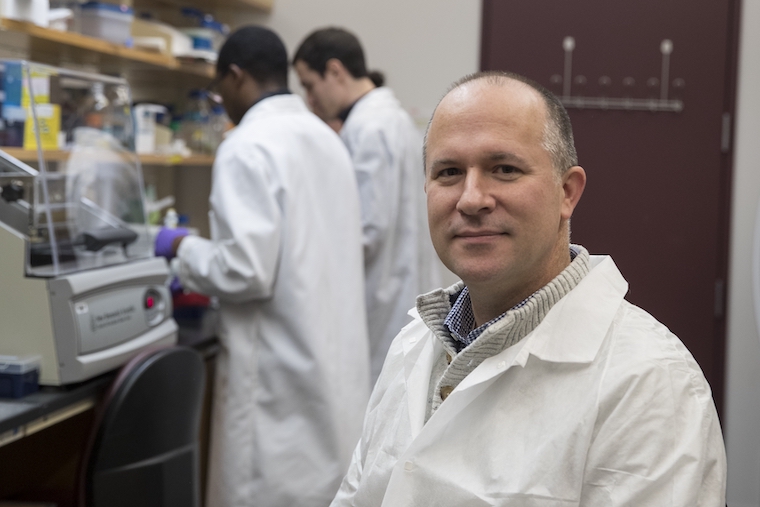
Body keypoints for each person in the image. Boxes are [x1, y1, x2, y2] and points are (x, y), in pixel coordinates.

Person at [330, 71, 727, 506]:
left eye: (504, 169)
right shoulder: (413, 345)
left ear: (567, 193)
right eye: (448, 172)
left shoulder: (651, 382)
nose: (471, 198)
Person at [154, 26, 370, 507]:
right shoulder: (325, 137)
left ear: (235, 77)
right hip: (328, 368)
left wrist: (182, 248)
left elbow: (244, 270)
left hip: (278, 381)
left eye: (219, 91)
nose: (221, 102)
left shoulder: (247, 144)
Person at [293, 28, 440, 383]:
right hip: (401, 287)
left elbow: (365, 231)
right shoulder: (391, 118)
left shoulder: (369, 128)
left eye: (310, 85)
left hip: (383, 296)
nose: (309, 99)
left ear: (335, 71)